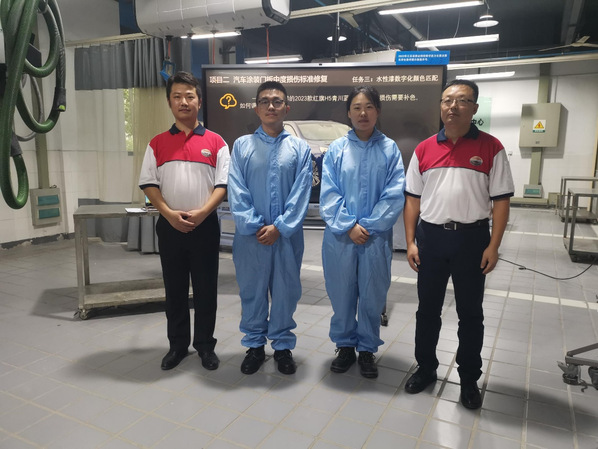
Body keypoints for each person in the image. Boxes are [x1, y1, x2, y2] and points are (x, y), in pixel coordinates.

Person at [403, 79, 514, 409]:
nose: (453, 106)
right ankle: (426, 368)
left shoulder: (491, 148)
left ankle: (468, 378)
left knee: (470, 313)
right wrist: (410, 242)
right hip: (431, 238)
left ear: (474, 108)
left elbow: (501, 202)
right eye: (447, 100)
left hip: (471, 240)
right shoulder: (424, 149)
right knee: (427, 310)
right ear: (440, 106)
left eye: (462, 100)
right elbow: (412, 200)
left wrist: (493, 246)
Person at [139, 71, 230, 371]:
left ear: (199, 102)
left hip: (205, 226)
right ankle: (177, 346)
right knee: (175, 289)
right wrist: (168, 214)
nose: (183, 102)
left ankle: (205, 346)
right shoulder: (157, 143)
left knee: (206, 289)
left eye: (189, 96)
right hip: (170, 227)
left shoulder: (217, 142)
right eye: (177, 96)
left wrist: (203, 213)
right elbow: (149, 184)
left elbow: (222, 185)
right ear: (169, 102)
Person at [320, 85, 405, 379]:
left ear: (378, 111)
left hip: (374, 238)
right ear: (348, 113)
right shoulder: (336, 149)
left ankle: (367, 348)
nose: (363, 113)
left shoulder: (390, 149)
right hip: (341, 237)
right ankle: (345, 346)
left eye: (369, 107)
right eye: (356, 107)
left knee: (372, 293)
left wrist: (367, 226)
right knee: (341, 292)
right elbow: (329, 193)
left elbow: (394, 194)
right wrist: (348, 226)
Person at [228, 81, 312, 375]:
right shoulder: (242, 146)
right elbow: (236, 189)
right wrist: (253, 224)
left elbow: (302, 193)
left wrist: (280, 227)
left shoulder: (300, 149)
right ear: (256, 109)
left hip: (286, 237)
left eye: (277, 101)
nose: (271, 106)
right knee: (252, 290)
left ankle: (282, 346)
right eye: (265, 101)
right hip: (250, 238)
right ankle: (254, 345)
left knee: (285, 291)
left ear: (287, 108)